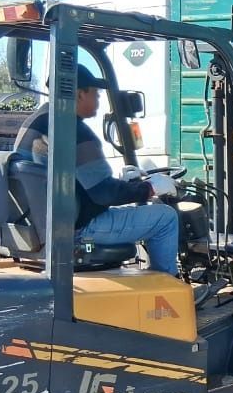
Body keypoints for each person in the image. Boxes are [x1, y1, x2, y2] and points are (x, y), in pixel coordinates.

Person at [13, 64, 181, 276]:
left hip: (45, 225)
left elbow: (75, 179)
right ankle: (168, 291)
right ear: (79, 94)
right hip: (80, 229)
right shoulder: (73, 129)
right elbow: (104, 194)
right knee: (165, 218)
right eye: (96, 94)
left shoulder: (38, 122)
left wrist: (124, 182)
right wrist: (149, 188)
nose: (99, 100)